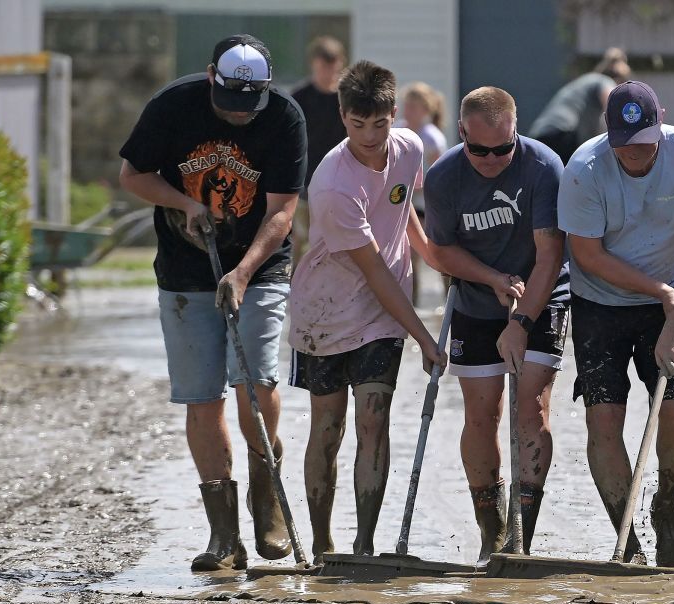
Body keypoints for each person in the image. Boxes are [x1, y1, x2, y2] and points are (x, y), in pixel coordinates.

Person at [118, 34, 307, 571]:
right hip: (186, 268)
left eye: (250, 104)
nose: (241, 114)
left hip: (261, 267)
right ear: (210, 77)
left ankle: (266, 498)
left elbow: (282, 211)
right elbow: (133, 175)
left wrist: (243, 272)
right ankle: (224, 536)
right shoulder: (172, 106)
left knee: (255, 382)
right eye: (230, 103)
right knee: (201, 397)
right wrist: (184, 203)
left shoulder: (285, 117)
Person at [287, 61, 447, 562]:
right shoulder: (333, 185)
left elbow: (403, 212)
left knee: (374, 421)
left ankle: (365, 547)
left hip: (382, 316)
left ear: (394, 114)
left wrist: (435, 257)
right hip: (325, 312)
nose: (370, 138)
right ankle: (322, 544)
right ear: (343, 117)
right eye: (358, 125)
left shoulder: (411, 148)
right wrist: (424, 337)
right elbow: (375, 271)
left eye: (379, 124)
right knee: (328, 428)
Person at [559, 80, 674, 567]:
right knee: (605, 420)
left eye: (645, 143)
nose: (635, 154)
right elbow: (586, 255)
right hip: (601, 302)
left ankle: (665, 501)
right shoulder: (584, 169)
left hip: (673, 298)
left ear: (661, 122)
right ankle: (626, 539)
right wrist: (657, 290)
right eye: (624, 145)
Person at [424, 87, 569, 563]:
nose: (491, 160)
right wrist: (492, 279)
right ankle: (493, 529)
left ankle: (522, 534)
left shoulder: (543, 167)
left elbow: (550, 255)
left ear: (515, 131)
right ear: (461, 132)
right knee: (482, 415)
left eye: (502, 149)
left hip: (541, 293)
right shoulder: (443, 177)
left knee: (532, 407)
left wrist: (522, 321)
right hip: (475, 298)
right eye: (479, 150)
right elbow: (440, 251)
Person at [291, 36, 349, 264]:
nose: (329, 73)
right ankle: (295, 282)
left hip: (339, 179)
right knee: (301, 239)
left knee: (334, 241)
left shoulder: (346, 97)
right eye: (324, 67)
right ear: (314, 64)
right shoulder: (300, 97)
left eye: (333, 67)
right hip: (306, 178)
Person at [528, 47, 631, 164]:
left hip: (540, 135)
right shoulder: (604, 81)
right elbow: (614, 107)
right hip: (562, 135)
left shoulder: (587, 81)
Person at [401, 82, 449, 171]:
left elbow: (439, 174)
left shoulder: (431, 138)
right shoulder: (396, 129)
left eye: (413, 107)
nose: (408, 111)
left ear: (426, 110)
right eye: (406, 105)